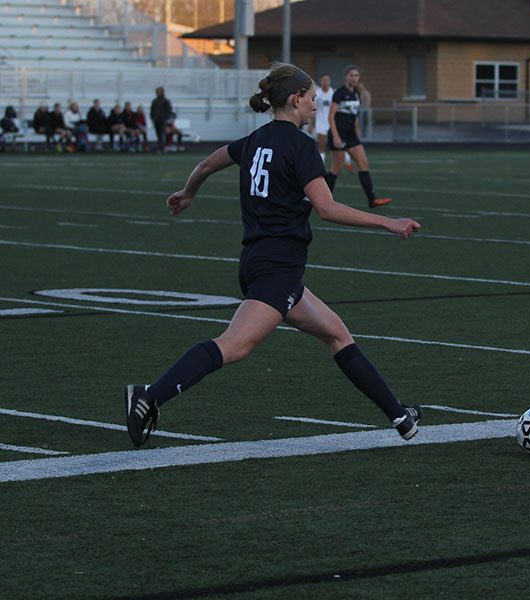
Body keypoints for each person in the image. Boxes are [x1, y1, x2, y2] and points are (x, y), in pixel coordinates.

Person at [124, 62, 423, 448]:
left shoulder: (253, 139)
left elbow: (204, 164)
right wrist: (387, 223)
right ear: (296, 99)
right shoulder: (301, 146)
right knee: (236, 344)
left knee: (337, 334)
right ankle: (149, 396)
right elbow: (327, 209)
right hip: (276, 269)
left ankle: (400, 416)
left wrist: (189, 191)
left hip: (262, 264)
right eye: (313, 99)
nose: (316, 106)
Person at [325, 65, 391, 208]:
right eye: (351, 75)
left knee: (364, 163)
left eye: (356, 75)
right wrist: (336, 137)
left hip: (351, 135)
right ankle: (323, 200)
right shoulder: (339, 93)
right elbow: (331, 117)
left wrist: (357, 128)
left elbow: (354, 115)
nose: (354, 78)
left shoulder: (356, 93)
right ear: (346, 77)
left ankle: (372, 199)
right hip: (339, 134)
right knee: (337, 167)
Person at [150, 86, 173, 153]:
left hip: (163, 120)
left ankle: (161, 147)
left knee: (162, 134)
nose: (157, 93)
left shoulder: (166, 101)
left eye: (158, 91)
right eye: (157, 92)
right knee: (158, 134)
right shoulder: (154, 101)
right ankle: (160, 147)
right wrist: (152, 118)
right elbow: (152, 110)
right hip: (156, 120)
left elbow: (169, 111)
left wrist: (165, 119)